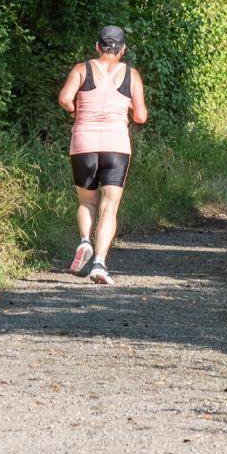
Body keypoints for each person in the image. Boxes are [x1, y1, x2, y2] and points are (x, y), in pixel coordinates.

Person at [57, 25, 148, 285]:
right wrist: (129, 106)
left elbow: (64, 98)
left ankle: (85, 240)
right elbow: (141, 117)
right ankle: (99, 263)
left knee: (87, 202)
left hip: (83, 143)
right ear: (123, 50)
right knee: (109, 206)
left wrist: (76, 110)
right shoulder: (132, 75)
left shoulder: (81, 69)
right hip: (116, 146)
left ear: (98, 46)